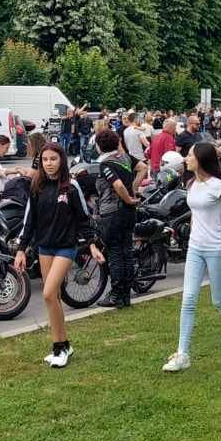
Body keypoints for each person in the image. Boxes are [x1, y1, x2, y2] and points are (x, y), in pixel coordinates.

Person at [162, 141, 221, 373]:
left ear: (201, 160)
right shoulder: (191, 183)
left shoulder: (217, 186)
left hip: (216, 250)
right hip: (195, 249)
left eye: (190, 155)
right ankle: (183, 354)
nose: (186, 158)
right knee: (188, 299)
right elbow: (196, 213)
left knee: (218, 300)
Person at [14, 142, 100, 368]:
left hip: (66, 247)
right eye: (45, 160)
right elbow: (29, 221)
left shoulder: (71, 186)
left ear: (61, 160)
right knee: (54, 298)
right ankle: (64, 345)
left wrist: (92, 244)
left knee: (48, 293)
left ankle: (59, 347)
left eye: (53, 159)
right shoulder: (37, 185)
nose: (49, 163)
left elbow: (83, 218)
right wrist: (21, 249)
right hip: (44, 248)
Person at [93, 128, 140, 309]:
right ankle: (126, 296)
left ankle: (116, 295)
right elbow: (143, 167)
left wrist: (127, 197)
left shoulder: (106, 164)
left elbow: (118, 185)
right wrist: (133, 190)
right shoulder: (125, 158)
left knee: (115, 254)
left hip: (113, 213)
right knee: (127, 252)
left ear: (99, 146)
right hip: (129, 212)